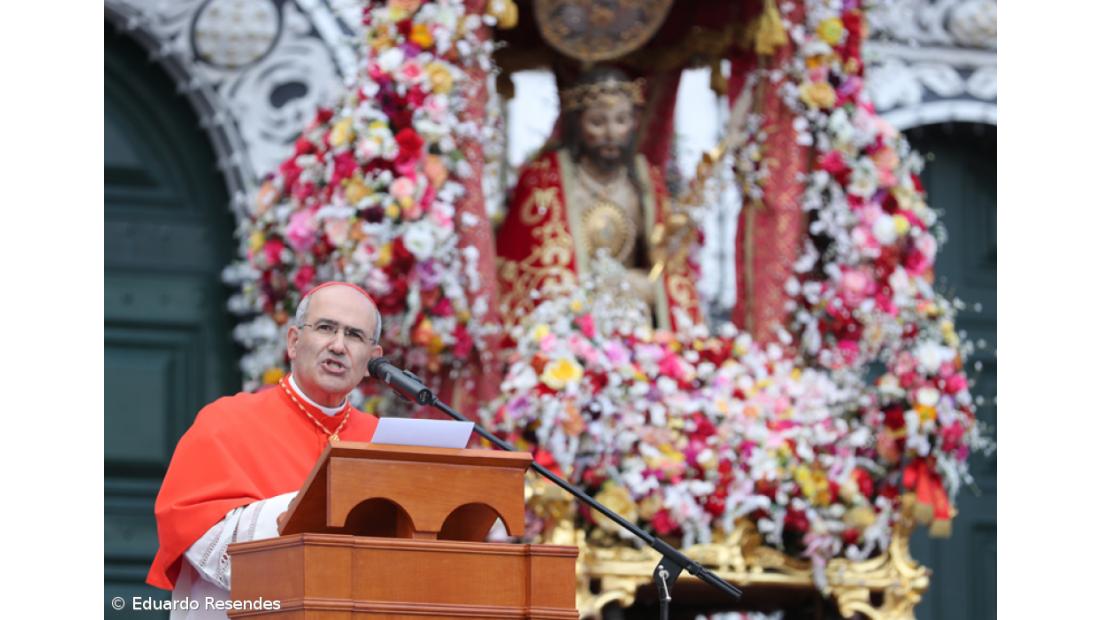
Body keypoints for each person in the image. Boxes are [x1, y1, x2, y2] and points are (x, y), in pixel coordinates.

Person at [146, 281, 385, 618]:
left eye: (355, 335)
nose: (338, 345)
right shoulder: (225, 422)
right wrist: (308, 510)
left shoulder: (381, 440)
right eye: (325, 328)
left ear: (372, 359)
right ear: (293, 341)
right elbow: (195, 535)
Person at [496, 66, 704, 335]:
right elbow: (527, 263)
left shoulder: (645, 179)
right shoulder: (545, 179)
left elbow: (663, 258)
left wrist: (649, 280)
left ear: (634, 123)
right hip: (568, 322)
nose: (611, 133)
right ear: (577, 125)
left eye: (621, 120)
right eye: (597, 122)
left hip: (635, 322)